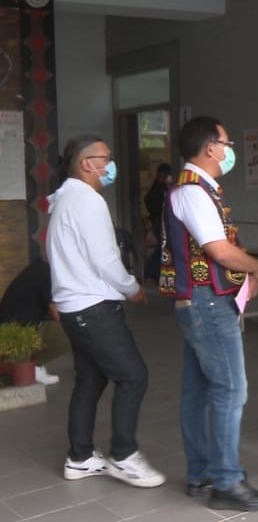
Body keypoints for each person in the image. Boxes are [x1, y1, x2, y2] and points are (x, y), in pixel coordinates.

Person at [161, 116, 258, 511]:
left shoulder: (197, 189)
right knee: (230, 388)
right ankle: (226, 481)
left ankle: (202, 473)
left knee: (197, 391)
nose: (229, 152)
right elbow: (220, 250)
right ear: (210, 147)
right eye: (227, 144)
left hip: (198, 302)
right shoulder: (193, 192)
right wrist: (256, 267)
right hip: (207, 303)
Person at [46, 135, 164, 487]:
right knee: (133, 376)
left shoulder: (64, 199)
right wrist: (132, 288)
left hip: (75, 307)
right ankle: (124, 455)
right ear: (87, 164)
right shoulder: (87, 200)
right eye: (105, 158)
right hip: (93, 308)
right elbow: (105, 259)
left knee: (90, 379)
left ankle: (80, 457)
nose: (110, 164)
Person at [0, 258, 71, 385]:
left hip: (12, 334)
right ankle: (33, 366)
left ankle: (30, 366)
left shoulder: (38, 269)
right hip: (17, 337)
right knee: (70, 330)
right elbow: (57, 314)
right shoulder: (45, 273)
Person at [144, 162, 172, 281]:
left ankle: (153, 272)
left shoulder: (163, 187)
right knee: (162, 247)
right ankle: (151, 271)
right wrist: (156, 215)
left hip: (162, 221)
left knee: (162, 247)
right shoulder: (157, 187)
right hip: (159, 221)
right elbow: (149, 201)